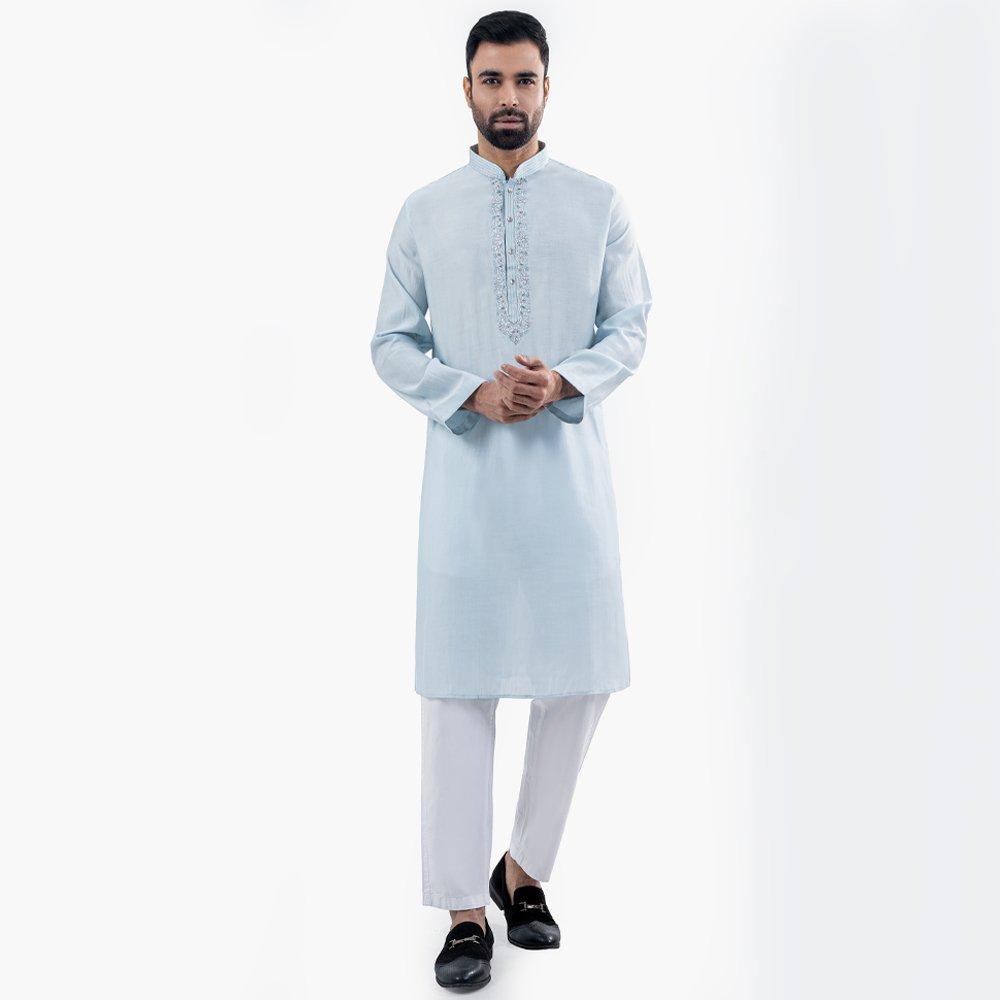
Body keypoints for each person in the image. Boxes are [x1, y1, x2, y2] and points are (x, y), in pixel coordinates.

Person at [370, 10, 652, 991]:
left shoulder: (598, 202)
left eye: (524, 80)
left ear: (546, 89)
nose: (507, 97)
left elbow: (631, 323)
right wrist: (468, 393)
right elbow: (389, 340)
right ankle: (462, 911)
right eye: (490, 80)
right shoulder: (425, 210)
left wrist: (563, 380)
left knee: (582, 680)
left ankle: (523, 871)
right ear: (466, 90)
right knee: (458, 692)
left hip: (569, 488)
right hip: (467, 491)